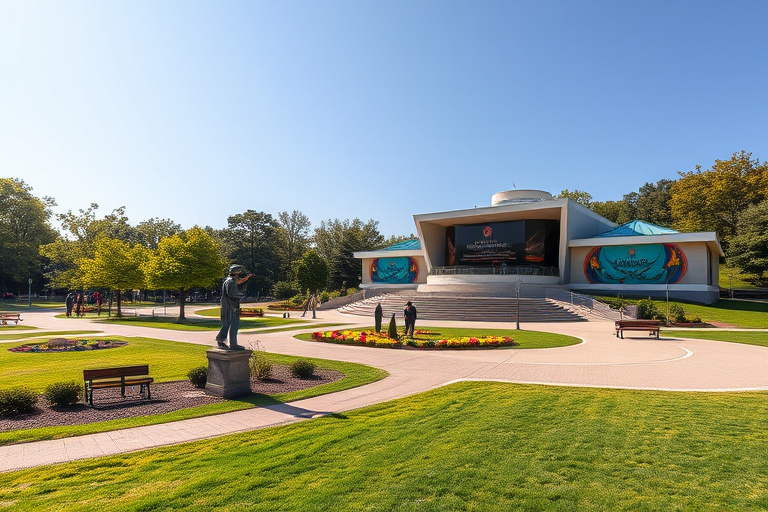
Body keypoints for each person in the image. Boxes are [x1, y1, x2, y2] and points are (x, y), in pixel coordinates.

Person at [215, 264, 253, 350]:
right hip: (231, 307)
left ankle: (221, 340)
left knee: (227, 324)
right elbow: (232, 294)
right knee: (234, 324)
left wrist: (245, 279)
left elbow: (237, 282)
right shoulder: (231, 282)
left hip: (228, 306)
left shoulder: (228, 280)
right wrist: (242, 295)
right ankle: (232, 343)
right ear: (236, 274)